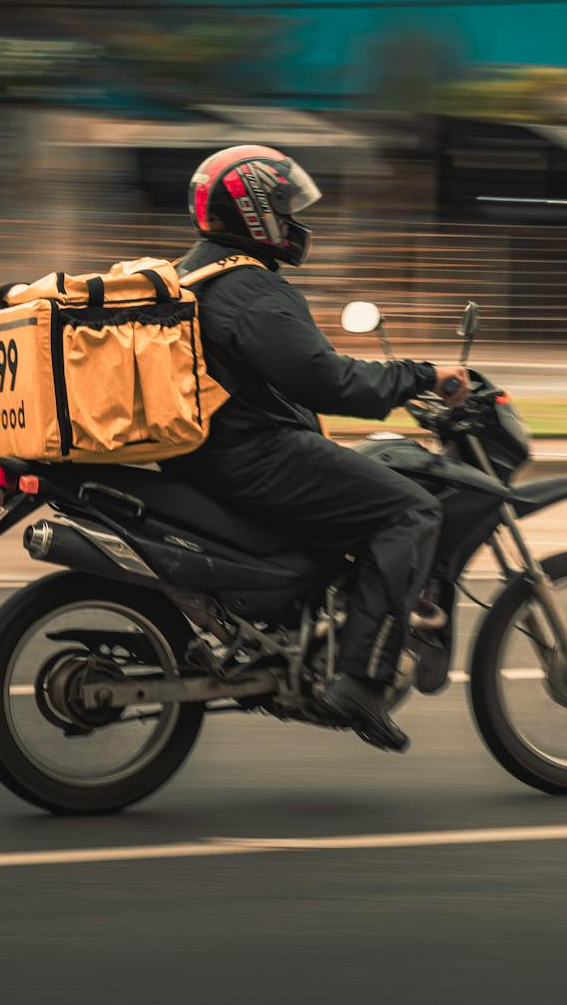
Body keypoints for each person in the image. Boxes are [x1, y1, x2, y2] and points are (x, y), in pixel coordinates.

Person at [162, 144, 466, 753]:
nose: (295, 221)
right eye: (284, 207)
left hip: (203, 456)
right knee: (410, 510)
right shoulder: (250, 289)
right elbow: (327, 380)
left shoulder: (188, 274)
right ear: (256, 214)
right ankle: (360, 680)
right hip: (255, 456)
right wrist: (420, 376)